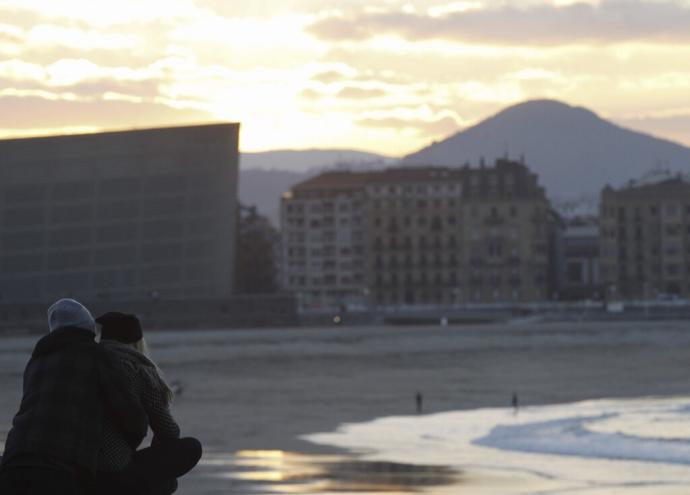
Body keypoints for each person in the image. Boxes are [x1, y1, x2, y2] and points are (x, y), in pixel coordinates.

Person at [0, 299, 145, 495]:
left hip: (12, 461)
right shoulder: (98, 356)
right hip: (61, 469)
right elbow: (132, 417)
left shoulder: (35, 362)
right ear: (89, 327)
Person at [95, 312, 201, 495]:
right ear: (136, 342)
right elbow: (169, 431)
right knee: (189, 450)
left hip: (78, 462)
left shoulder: (83, 361)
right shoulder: (137, 369)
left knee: (166, 482)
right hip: (112, 470)